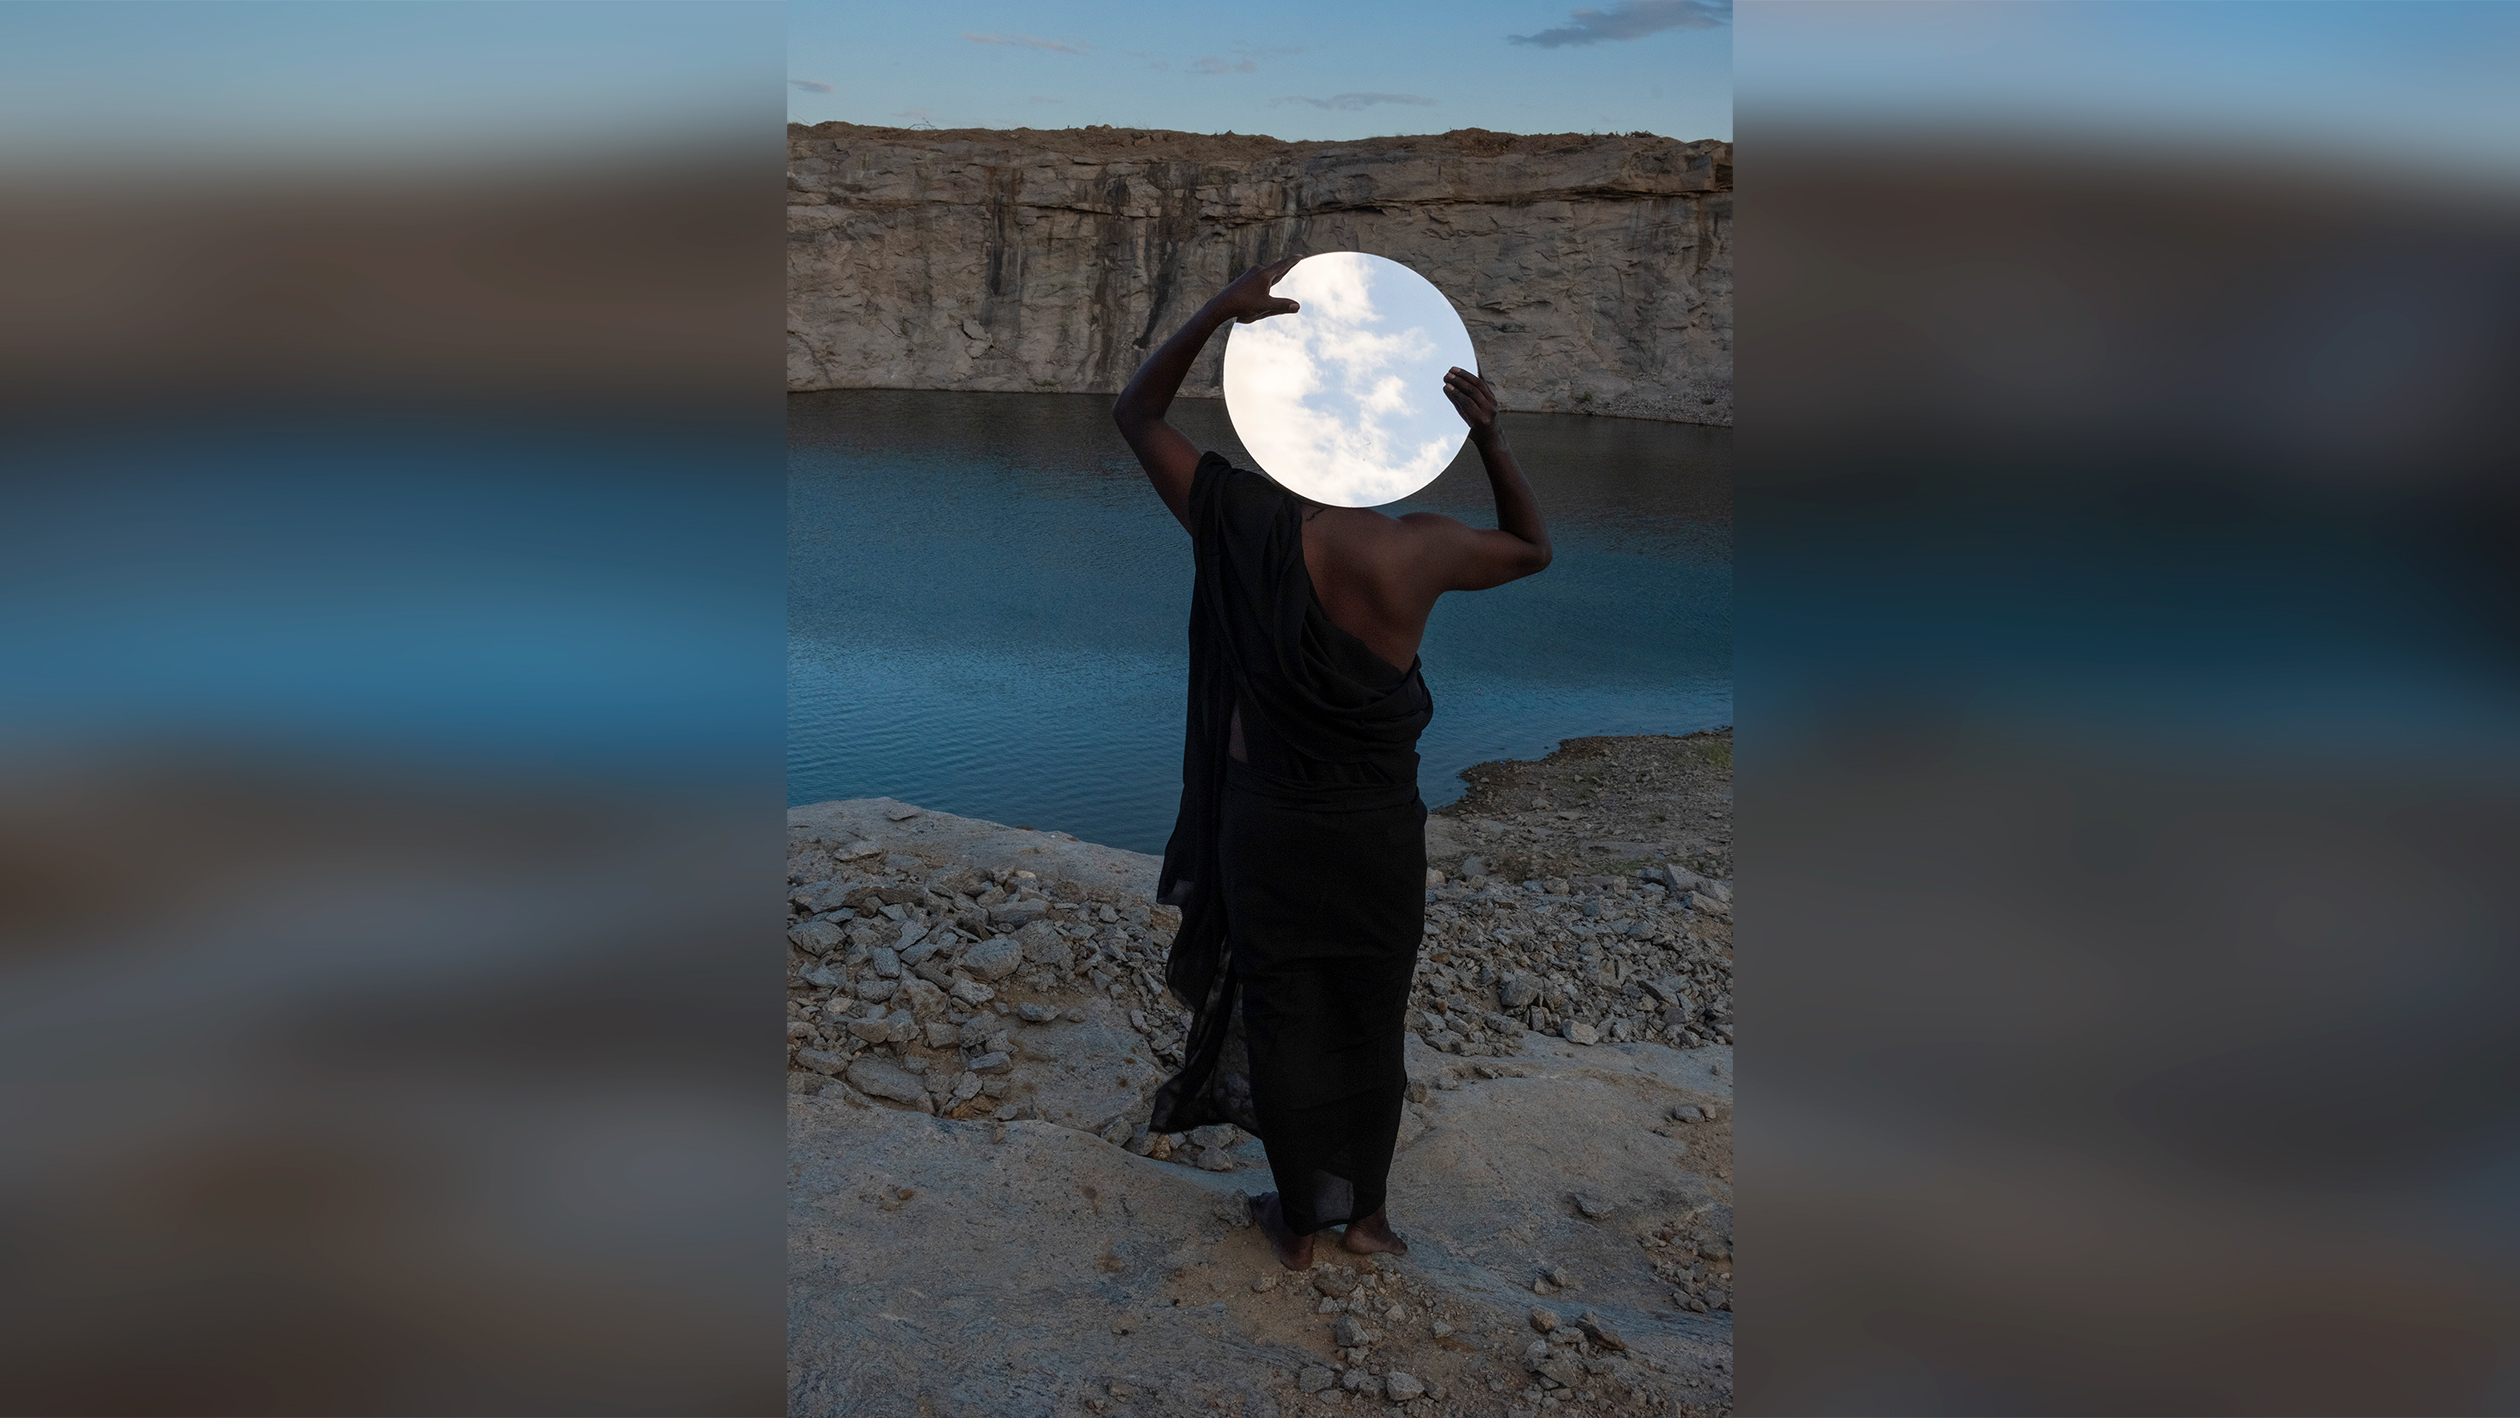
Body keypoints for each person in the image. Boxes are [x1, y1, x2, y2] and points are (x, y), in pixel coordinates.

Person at [1113, 253, 1552, 1270]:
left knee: (1284, 1008)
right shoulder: (1419, 548)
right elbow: (1532, 549)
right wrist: (1492, 439)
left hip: (1268, 819)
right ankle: (1366, 1217)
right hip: (1377, 829)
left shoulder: (1240, 518)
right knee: (1369, 1009)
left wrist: (1217, 312)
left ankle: (1301, 1219)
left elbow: (1136, 415)